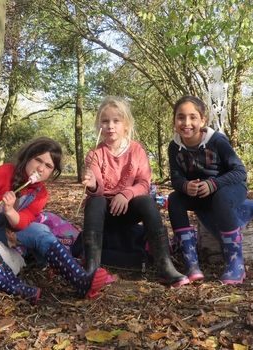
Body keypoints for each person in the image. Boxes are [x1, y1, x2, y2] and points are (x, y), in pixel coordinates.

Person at [0, 137, 107, 305]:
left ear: (52, 172)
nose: (40, 168)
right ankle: (15, 287)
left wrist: (10, 211)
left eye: (48, 166)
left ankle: (80, 279)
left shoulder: (41, 193)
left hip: (4, 226)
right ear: (28, 157)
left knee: (41, 232)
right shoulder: (5, 172)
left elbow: (24, 221)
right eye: (38, 160)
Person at [81, 96, 189, 287]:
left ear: (126, 125)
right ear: (99, 125)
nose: (110, 126)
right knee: (95, 201)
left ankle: (165, 265)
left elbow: (143, 183)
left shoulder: (136, 150)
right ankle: (92, 268)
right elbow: (98, 189)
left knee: (146, 200)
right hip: (103, 215)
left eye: (116, 121)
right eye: (105, 121)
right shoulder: (94, 154)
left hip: (128, 210)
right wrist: (92, 184)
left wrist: (125, 194)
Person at [167, 96, 248, 284]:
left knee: (221, 198)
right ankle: (191, 263)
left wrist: (214, 184)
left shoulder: (217, 141)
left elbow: (240, 172)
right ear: (174, 122)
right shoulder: (174, 147)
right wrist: (186, 186)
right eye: (181, 117)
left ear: (203, 120)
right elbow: (176, 178)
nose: (186, 123)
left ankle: (235, 263)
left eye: (192, 117)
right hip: (201, 194)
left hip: (229, 188)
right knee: (174, 199)